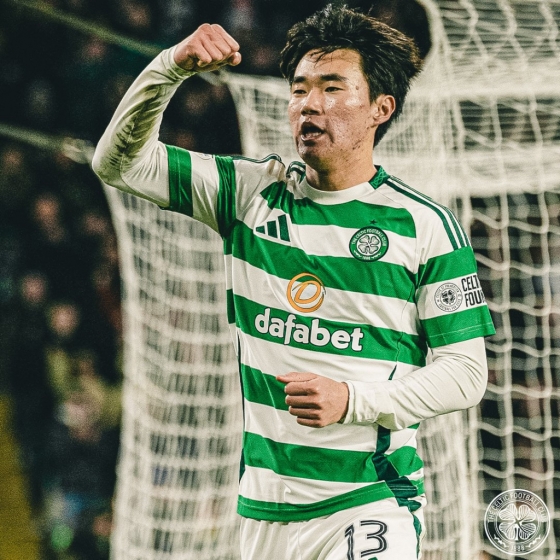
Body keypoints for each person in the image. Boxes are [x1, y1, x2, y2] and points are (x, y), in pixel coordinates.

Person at [93, 5, 495, 559]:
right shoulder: (249, 194)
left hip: (370, 501)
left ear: (380, 108)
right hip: (264, 515)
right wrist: (169, 68)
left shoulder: (424, 226)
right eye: (300, 89)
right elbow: (118, 164)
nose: (309, 103)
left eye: (332, 88)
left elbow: (466, 374)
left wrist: (352, 400)